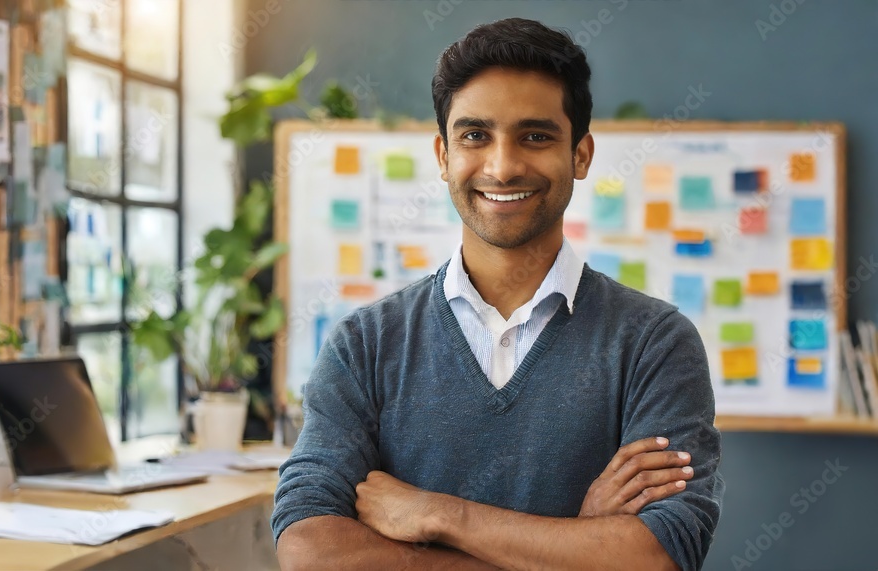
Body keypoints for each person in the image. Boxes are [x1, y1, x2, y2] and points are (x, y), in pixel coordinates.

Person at [272, 17, 724, 571]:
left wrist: (439, 515)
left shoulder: (655, 343)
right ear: (443, 156)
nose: (503, 166)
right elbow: (309, 549)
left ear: (580, 156)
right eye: (475, 135)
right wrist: (574, 545)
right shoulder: (364, 344)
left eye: (535, 136)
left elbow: (657, 555)